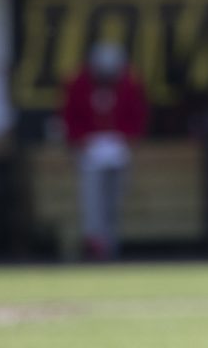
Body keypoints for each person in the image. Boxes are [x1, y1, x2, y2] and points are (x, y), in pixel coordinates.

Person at [60, 42, 148, 261]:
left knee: (115, 201)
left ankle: (110, 245)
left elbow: (137, 116)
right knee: (92, 199)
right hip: (89, 153)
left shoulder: (129, 84)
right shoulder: (78, 84)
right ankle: (93, 242)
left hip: (118, 152)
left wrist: (125, 138)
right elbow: (69, 117)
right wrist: (82, 141)